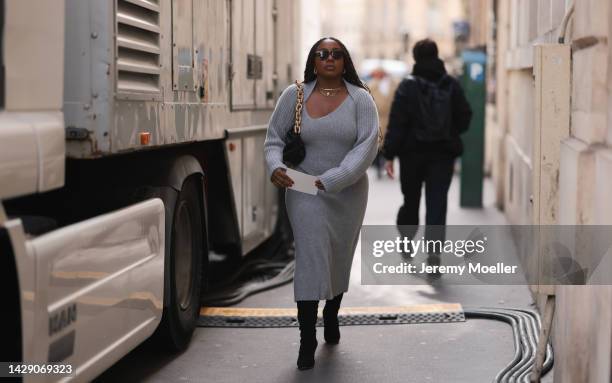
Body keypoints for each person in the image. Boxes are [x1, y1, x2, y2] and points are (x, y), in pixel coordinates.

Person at [264, 37, 379, 370]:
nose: (329, 58)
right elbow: (273, 139)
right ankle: (306, 339)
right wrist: (276, 168)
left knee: (338, 258)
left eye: (336, 54)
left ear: (345, 61)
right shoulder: (294, 95)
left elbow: (366, 147)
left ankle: (331, 314)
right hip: (302, 189)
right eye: (322, 54)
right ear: (314, 60)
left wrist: (334, 179)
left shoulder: (362, 99)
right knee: (312, 258)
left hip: (347, 192)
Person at [382, 39, 472, 269]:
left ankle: (406, 240)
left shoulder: (407, 86)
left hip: (411, 155)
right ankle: (434, 255)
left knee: (410, 200)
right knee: (437, 204)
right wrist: (449, 132)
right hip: (442, 155)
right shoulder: (451, 84)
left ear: (415, 58)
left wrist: (389, 154)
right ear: (437, 55)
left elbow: (397, 123)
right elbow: (465, 116)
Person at [368, 68, 399, 178]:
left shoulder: (393, 85)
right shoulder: (372, 85)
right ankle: (379, 167)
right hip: (378, 119)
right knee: (378, 145)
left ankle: (386, 166)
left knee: (388, 145)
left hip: (390, 119)